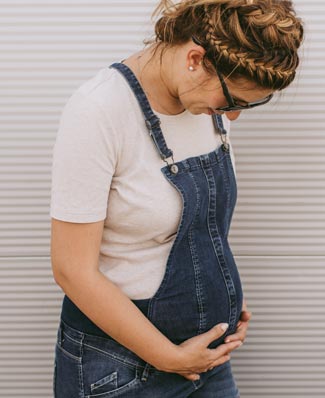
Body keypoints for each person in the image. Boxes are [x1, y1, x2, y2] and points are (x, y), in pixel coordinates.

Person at [50, 0, 303, 397]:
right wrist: (168, 357)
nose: (232, 117)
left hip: (205, 356)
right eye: (233, 101)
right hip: (119, 369)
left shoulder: (204, 105)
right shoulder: (99, 110)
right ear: (195, 58)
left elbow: (198, 224)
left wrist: (225, 294)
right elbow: (71, 269)